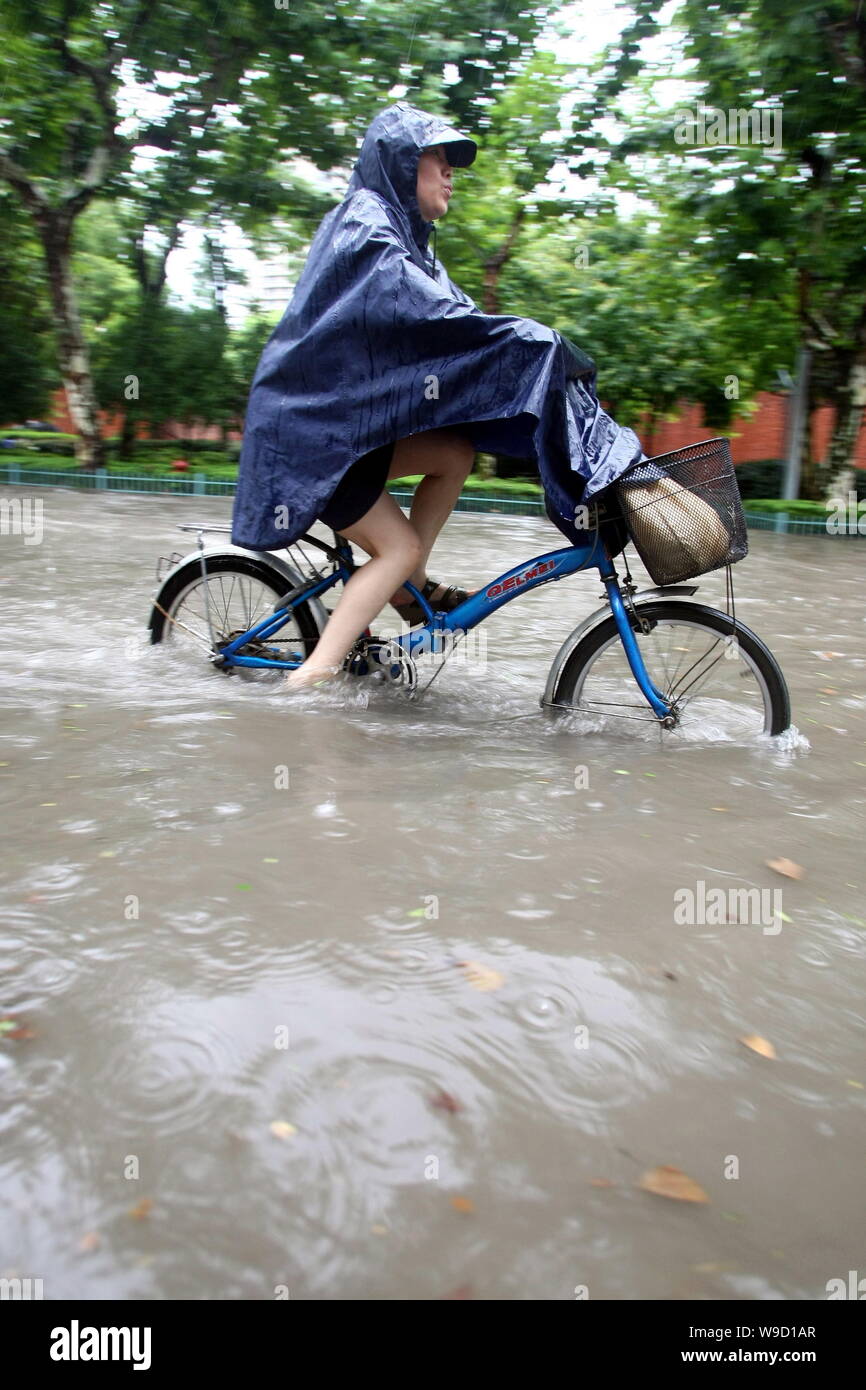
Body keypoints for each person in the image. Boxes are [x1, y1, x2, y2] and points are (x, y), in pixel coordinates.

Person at [230, 102, 645, 691]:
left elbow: (463, 323)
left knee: (452, 455)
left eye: (454, 164)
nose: (451, 173)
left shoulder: (410, 240)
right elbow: (435, 317)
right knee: (393, 549)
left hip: (345, 429)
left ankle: (408, 587)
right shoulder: (368, 226)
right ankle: (308, 686)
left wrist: (534, 351)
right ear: (402, 165)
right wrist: (529, 341)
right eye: (439, 160)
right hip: (311, 438)